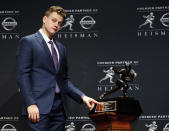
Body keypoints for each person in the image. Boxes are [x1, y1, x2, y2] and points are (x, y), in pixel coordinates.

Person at [16, 5, 99, 131]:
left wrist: (82, 97)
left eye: (59, 23)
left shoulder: (61, 48)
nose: (56, 25)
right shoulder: (28, 42)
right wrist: (31, 104)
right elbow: (23, 76)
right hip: (38, 108)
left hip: (60, 109)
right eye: (53, 20)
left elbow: (63, 80)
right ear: (45, 19)